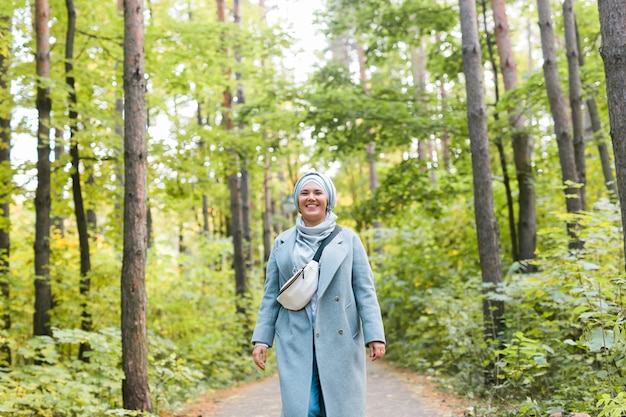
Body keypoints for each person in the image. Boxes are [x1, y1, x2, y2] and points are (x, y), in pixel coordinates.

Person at [251, 171, 386, 417]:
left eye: (317, 192)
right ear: (297, 200)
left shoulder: (348, 239)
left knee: (335, 407)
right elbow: (271, 295)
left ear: (328, 199)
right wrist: (262, 338)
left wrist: (375, 335)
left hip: (340, 336)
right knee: (303, 408)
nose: (311, 198)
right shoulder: (282, 242)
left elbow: (365, 291)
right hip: (295, 336)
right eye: (304, 193)